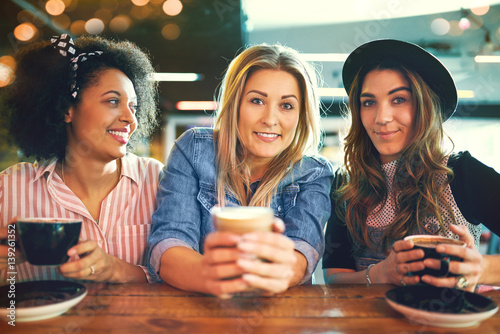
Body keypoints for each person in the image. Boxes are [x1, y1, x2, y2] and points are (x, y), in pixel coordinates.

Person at [148, 44, 333, 297]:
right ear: (235, 103)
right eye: (257, 101)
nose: (270, 119)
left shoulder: (314, 172)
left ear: (301, 115)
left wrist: (282, 271)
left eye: (286, 105)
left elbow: (303, 252)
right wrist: (209, 276)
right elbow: (169, 243)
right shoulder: (193, 150)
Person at [323, 39, 500, 292]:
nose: (382, 118)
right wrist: (381, 272)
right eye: (369, 102)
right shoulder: (346, 183)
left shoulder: (461, 173)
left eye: (399, 100)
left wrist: (482, 267)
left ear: (423, 106)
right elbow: (334, 276)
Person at [0, 34, 163, 283]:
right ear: (67, 108)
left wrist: (116, 270)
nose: (131, 119)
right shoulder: (9, 190)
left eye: (134, 106)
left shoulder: (158, 180)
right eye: (112, 101)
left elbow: (181, 277)